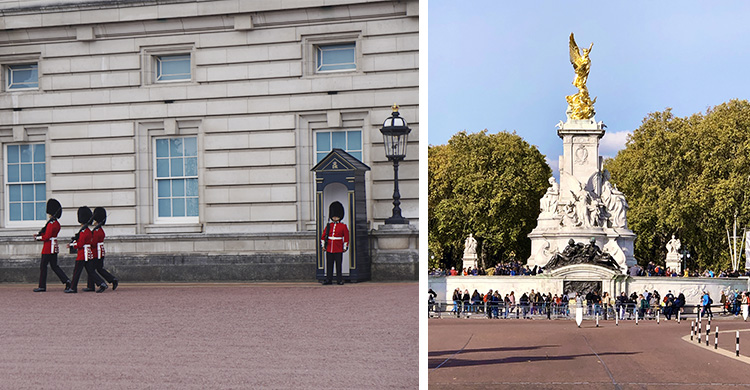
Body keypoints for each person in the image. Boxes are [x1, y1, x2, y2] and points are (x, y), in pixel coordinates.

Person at [66, 206, 107, 293]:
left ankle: (73, 288)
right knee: (91, 271)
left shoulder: (84, 232)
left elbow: (81, 244)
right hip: (88, 254)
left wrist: (72, 245)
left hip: (82, 255)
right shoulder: (87, 230)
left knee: (76, 272)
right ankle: (101, 283)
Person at [33, 199, 71, 292]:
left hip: (48, 248)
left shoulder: (51, 224)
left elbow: (47, 236)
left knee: (43, 266)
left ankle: (42, 286)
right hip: (54, 247)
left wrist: (38, 238)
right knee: (54, 266)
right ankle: (66, 281)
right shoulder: (56, 223)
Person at [85, 207, 118, 292]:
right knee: (99, 269)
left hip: (96, 252)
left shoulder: (96, 231)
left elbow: (93, 243)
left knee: (91, 269)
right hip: (99, 252)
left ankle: (101, 283)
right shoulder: (99, 230)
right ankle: (112, 279)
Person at [320, 201, 349, 285]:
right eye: (334, 216)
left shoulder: (343, 226)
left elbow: (346, 237)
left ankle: (339, 279)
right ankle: (329, 279)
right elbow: (323, 236)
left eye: (336, 216)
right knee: (329, 264)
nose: (335, 218)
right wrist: (323, 245)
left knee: (338, 265)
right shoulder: (329, 225)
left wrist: (344, 247)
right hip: (329, 247)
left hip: (338, 247)